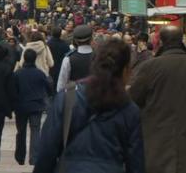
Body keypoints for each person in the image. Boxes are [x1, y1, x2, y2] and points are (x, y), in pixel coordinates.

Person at [33, 39, 144, 173]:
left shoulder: (68, 97)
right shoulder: (129, 109)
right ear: (126, 70)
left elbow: (47, 148)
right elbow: (136, 161)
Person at [129, 26, 186, 173]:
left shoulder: (150, 67)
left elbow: (133, 100)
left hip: (156, 143)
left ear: (162, 42)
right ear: (181, 40)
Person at [13, 49, 53, 166]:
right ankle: (34, 158)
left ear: (24, 58)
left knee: (21, 131)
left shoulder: (18, 74)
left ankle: (20, 157)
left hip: (21, 106)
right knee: (35, 131)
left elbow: (13, 90)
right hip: (36, 105)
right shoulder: (40, 73)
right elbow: (49, 88)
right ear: (35, 59)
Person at [57, 25, 93, 92]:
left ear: (75, 41)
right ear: (91, 39)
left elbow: (61, 85)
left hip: (73, 96)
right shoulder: (99, 57)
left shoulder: (68, 59)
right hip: (93, 95)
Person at [47, 27, 70, 92]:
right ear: (60, 34)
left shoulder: (48, 44)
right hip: (61, 66)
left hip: (51, 67)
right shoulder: (65, 44)